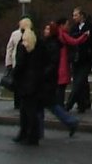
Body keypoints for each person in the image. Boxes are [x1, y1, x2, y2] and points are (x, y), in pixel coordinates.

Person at [41, 20, 81, 136]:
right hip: (50, 79)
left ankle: (38, 131)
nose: (45, 31)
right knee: (50, 105)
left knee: (46, 105)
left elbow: (52, 63)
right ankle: (70, 122)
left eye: (48, 29)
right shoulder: (52, 43)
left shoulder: (52, 45)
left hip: (48, 80)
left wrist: (43, 73)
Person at [12, 17, 46, 146]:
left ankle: (27, 134)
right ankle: (32, 134)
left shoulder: (23, 44)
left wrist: (14, 75)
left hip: (25, 82)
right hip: (37, 80)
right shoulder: (38, 42)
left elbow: (20, 64)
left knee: (26, 110)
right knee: (32, 110)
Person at [61, 7, 92, 113]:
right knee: (80, 82)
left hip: (86, 59)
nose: (74, 17)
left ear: (82, 15)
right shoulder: (73, 28)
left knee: (78, 82)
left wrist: (91, 52)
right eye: (73, 15)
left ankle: (68, 105)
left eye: (76, 15)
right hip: (76, 59)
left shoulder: (91, 27)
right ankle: (83, 103)